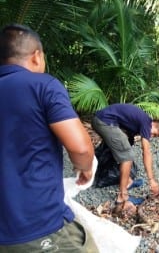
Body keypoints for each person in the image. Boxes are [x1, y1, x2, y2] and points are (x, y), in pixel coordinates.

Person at [0, 24, 98, 252]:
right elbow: (81, 149)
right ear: (37, 56)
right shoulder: (42, 86)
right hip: (37, 226)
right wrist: (85, 168)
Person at [92, 103, 159, 206]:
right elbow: (146, 151)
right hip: (104, 121)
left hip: (102, 119)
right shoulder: (146, 123)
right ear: (153, 124)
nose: (150, 136)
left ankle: (128, 181)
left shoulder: (140, 121)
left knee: (127, 145)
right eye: (153, 133)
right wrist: (151, 180)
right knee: (127, 156)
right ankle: (122, 196)